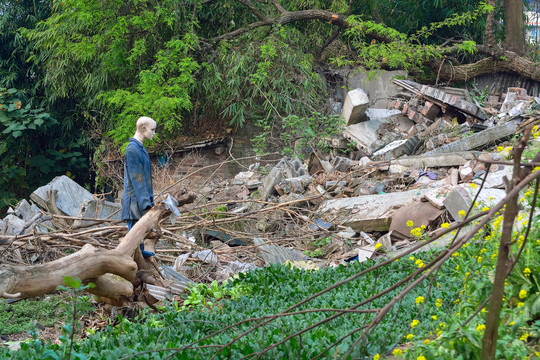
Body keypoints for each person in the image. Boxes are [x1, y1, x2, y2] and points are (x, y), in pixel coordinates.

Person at [121, 116, 157, 258]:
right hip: (134, 202)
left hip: (140, 200)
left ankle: (141, 254)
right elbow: (137, 178)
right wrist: (146, 204)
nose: (154, 133)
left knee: (140, 234)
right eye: (152, 130)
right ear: (143, 129)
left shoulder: (140, 148)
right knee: (133, 235)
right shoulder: (132, 149)